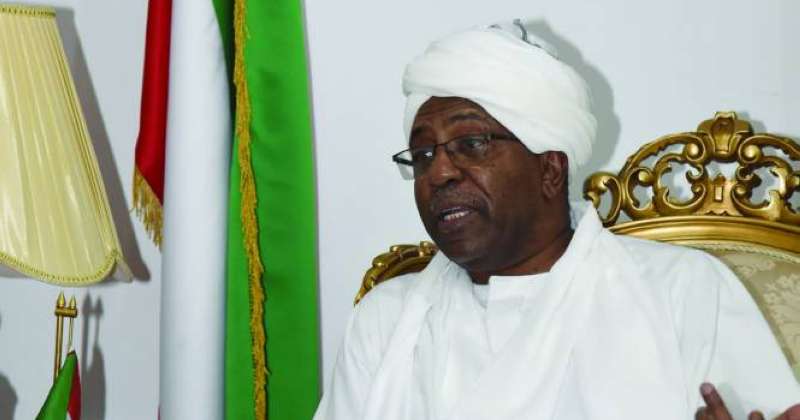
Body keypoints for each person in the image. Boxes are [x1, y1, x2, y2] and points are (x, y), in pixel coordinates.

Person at [314, 20, 800, 420]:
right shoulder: (386, 320)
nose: (438, 173)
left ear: (550, 169)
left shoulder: (682, 292)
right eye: (423, 155)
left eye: (471, 144)